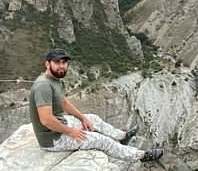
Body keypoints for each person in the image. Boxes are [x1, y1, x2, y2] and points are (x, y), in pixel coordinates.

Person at [28, 47, 163, 162]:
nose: (62, 66)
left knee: (93, 119)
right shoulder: (43, 86)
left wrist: (83, 118)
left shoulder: (53, 80)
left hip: (59, 127)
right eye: (57, 62)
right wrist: (70, 131)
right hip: (52, 139)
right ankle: (141, 156)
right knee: (101, 140)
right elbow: (46, 120)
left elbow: (64, 102)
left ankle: (122, 137)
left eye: (64, 62)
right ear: (47, 64)